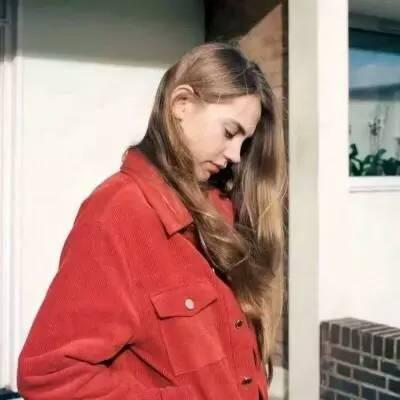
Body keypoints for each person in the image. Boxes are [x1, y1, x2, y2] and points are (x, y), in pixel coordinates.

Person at [17, 42, 287, 400]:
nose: (236, 155)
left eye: (245, 142)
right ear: (181, 104)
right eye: (229, 132)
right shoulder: (118, 213)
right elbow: (51, 374)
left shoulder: (221, 210)